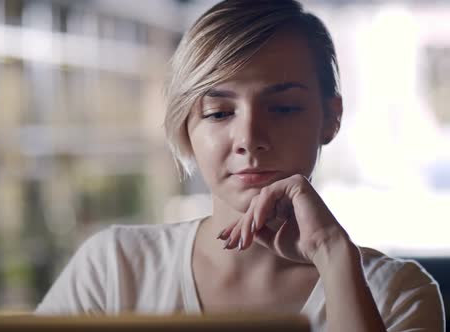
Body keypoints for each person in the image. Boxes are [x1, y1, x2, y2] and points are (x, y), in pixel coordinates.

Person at [36, 0, 445, 331]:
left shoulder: (399, 294)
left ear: (331, 117)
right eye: (218, 113)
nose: (249, 139)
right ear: (185, 125)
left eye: (283, 108)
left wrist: (333, 255)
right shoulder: (113, 270)